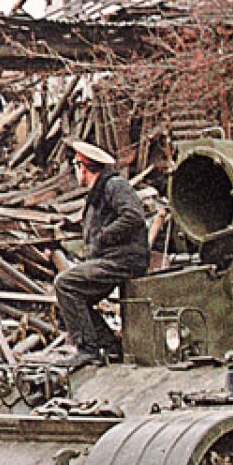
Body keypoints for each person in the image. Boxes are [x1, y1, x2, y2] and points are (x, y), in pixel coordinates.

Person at [53, 140, 150, 368]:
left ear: (83, 167)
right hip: (111, 259)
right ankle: (109, 345)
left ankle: (88, 349)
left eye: (76, 167)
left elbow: (133, 216)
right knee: (72, 299)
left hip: (124, 259)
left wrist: (105, 236)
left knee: (66, 284)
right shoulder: (99, 193)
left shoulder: (114, 185)